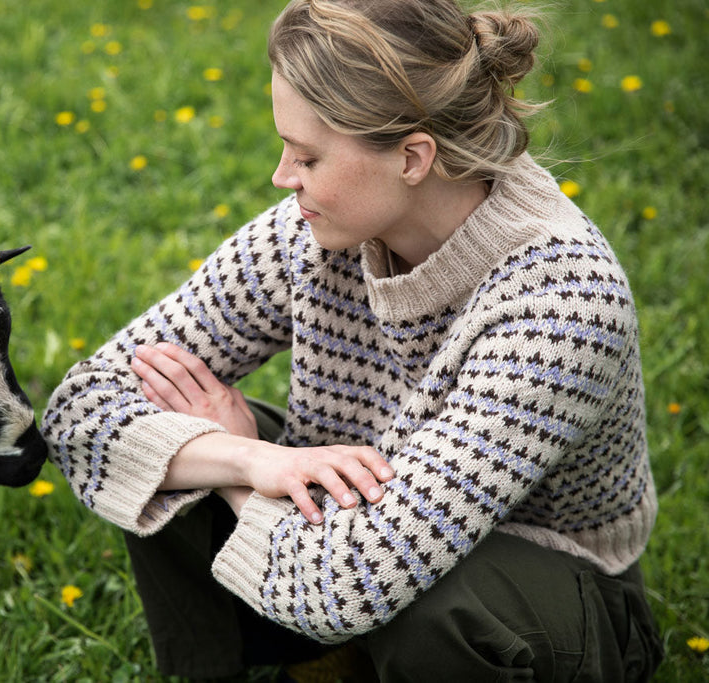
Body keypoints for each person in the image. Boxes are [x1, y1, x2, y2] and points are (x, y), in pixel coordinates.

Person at [41, 0, 663, 679]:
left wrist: (243, 479)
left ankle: (344, 657)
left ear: (413, 157)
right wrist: (240, 455)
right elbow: (80, 407)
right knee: (171, 442)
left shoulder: (563, 304)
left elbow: (352, 582)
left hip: (541, 599)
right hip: (365, 521)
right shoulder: (307, 234)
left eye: (307, 155)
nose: (282, 176)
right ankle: (285, 668)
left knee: (439, 604)